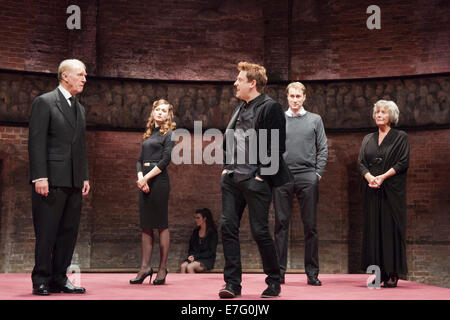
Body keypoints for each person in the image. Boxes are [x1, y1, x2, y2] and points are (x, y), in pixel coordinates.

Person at [219, 62, 292, 299]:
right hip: (233, 179)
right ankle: (232, 284)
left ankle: (273, 281)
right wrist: (226, 168)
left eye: (239, 79)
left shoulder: (270, 108)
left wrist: (262, 174)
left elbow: (276, 145)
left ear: (252, 83)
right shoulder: (240, 108)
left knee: (259, 231)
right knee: (227, 227)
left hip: (255, 179)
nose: (235, 83)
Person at [28, 59, 90, 295]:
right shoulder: (45, 102)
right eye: (81, 75)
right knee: (47, 231)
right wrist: (39, 176)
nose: (84, 79)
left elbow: (80, 147)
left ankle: (59, 277)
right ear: (65, 76)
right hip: (51, 179)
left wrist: (84, 176)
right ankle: (41, 279)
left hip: (74, 180)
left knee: (68, 232)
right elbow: (36, 142)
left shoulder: (80, 108)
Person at [273, 82, 328, 286]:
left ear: (304, 97)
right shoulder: (278, 119)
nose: (295, 100)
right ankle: (278, 274)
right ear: (287, 97)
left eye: (298, 96)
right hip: (283, 176)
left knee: (311, 226)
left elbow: (322, 148)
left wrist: (318, 174)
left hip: (307, 176)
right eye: (292, 96)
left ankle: (312, 273)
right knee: (281, 225)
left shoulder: (315, 120)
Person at [358, 100, 409, 288]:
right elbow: (361, 162)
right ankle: (378, 274)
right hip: (372, 190)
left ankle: (392, 274)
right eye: (377, 112)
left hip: (391, 191)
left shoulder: (400, 137)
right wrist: (370, 177)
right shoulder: (367, 138)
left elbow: (403, 162)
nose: (379, 115)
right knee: (374, 231)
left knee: (389, 230)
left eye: (383, 112)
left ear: (391, 116)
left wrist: (383, 177)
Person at [130, 99, 176, 286]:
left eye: (164, 110)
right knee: (146, 225)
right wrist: (141, 178)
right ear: (153, 112)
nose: (160, 112)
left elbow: (165, 161)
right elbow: (139, 160)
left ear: (168, 116)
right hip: (145, 182)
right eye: (157, 109)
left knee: (161, 224)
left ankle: (162, 269)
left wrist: (146, 178)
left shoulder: (169, 134)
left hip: (159, 182)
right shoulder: (148, 134)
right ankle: (145, 267)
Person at [180, 208, 218, 273]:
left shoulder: (212, 233)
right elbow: (191, 248)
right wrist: (190, 256)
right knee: (183, 266)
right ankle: (184, 283)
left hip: (206, 259)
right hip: (195, 258)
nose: (196, 220)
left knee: (190, 267)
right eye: (195, 218)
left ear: (204, 218)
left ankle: (194, 283)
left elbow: (211, 252)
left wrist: (195, 257)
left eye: (198, 218)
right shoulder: (195, 232)